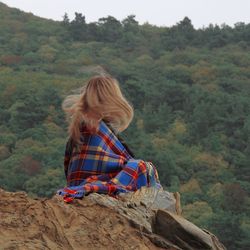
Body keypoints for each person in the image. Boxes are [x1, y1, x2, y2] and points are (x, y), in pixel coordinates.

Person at [57, 74, 161, 203]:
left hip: (78, 182)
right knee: (142, 167)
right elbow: (110, 164)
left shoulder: (80, 124)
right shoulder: (93, 124)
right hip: (93, 182)